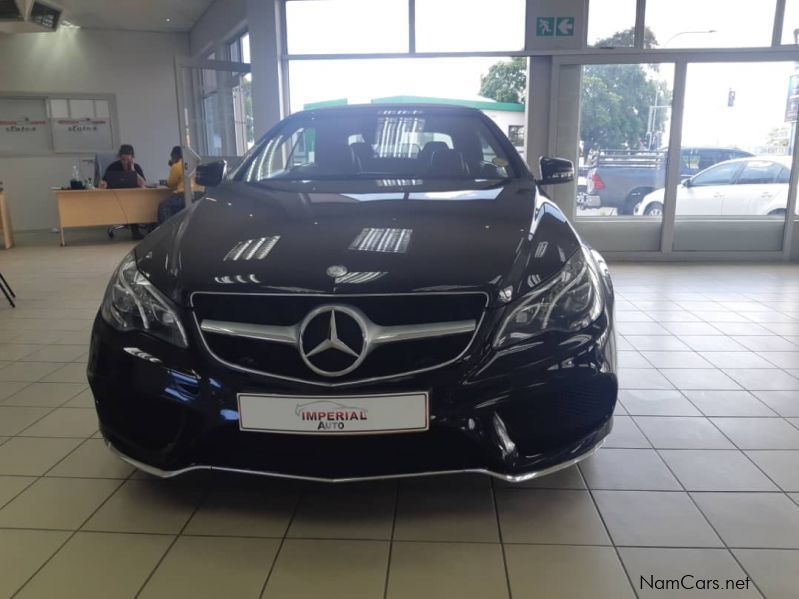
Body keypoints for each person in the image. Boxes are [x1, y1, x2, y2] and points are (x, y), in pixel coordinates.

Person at [99, 144, 147, 239]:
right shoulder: (113, 166)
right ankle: (135, 231)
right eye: (123, 159)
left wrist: (133, 170)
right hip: (116, 198)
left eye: (128, 160)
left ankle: (135, 231)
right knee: (131, 204)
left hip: (133, 199)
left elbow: (142, 184)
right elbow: (103, 181)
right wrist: (102, 183)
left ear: (132, 158)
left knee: (133, 203)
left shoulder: (136, 167)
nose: (125, 162)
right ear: (119, 157)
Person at [157, 146, 203, 225]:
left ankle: (168, 232)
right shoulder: (194, 163)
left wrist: (172, 166)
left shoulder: (176, 166)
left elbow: (171, 183)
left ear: (174, 156)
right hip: (199, 194)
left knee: (163, 207)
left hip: (184, 195)